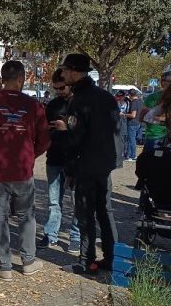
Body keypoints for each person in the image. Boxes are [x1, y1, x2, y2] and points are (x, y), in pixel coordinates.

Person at [0, 60, 50, 280]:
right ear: (22, 79)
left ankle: (4, 266)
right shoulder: (34, 106)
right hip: (22, 169)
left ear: (2, 79)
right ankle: (28, 261)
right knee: (26, 216)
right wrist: (30, 154)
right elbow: (44, 140)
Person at [51, 53, 120, 274]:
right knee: (105, 212)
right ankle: (112, 258)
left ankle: (86, 259)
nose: (62, 74)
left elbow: (75, 139)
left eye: (64, 70)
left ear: (73, 72)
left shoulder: (79, 100)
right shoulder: (106, 97)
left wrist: (61, 132)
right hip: (104, 164)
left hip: (86, 165)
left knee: (85, 214)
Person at [40, 69, 80, 251]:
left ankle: (76, 236)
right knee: (53, 200)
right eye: (56, 89)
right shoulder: (53, 105)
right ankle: (50, 234)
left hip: (74, 158)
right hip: (54, 157)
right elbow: (44, 129)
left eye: (62, 87)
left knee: (76, 201)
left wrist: (66, 129)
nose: (60, 91)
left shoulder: (80, 104)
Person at [138, 70, 171, 151]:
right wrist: (166, 120)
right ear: (163, 82)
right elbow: (142, 118)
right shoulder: (153, 98)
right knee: (151, 162)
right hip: (156, 136)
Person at [125, 89, 142, 161]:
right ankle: (128, 155)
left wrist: (123, 114)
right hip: (139, 123)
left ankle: (132, 156)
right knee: (131, 140)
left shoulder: (134, 103)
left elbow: (133, 115)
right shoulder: (141, 101)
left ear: (130, 95)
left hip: (132, 123)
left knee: (132, 140)